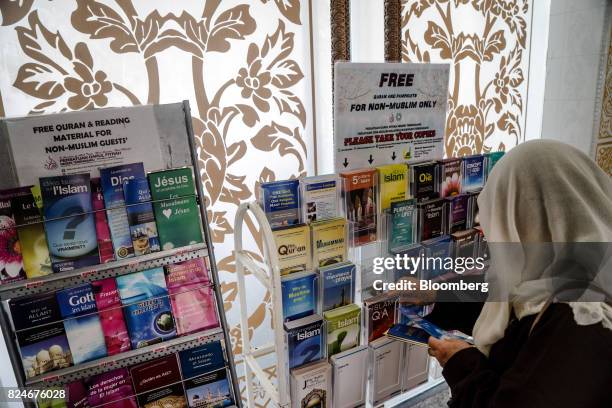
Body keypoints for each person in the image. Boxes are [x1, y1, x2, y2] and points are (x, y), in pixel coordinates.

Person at [427, 140, 612, 408]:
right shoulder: (576, 272)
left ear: (531, 218)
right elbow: (510, 297)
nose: (486, 227)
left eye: (502, 214)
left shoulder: (581, 321)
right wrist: (434, 293)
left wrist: (463, 364)